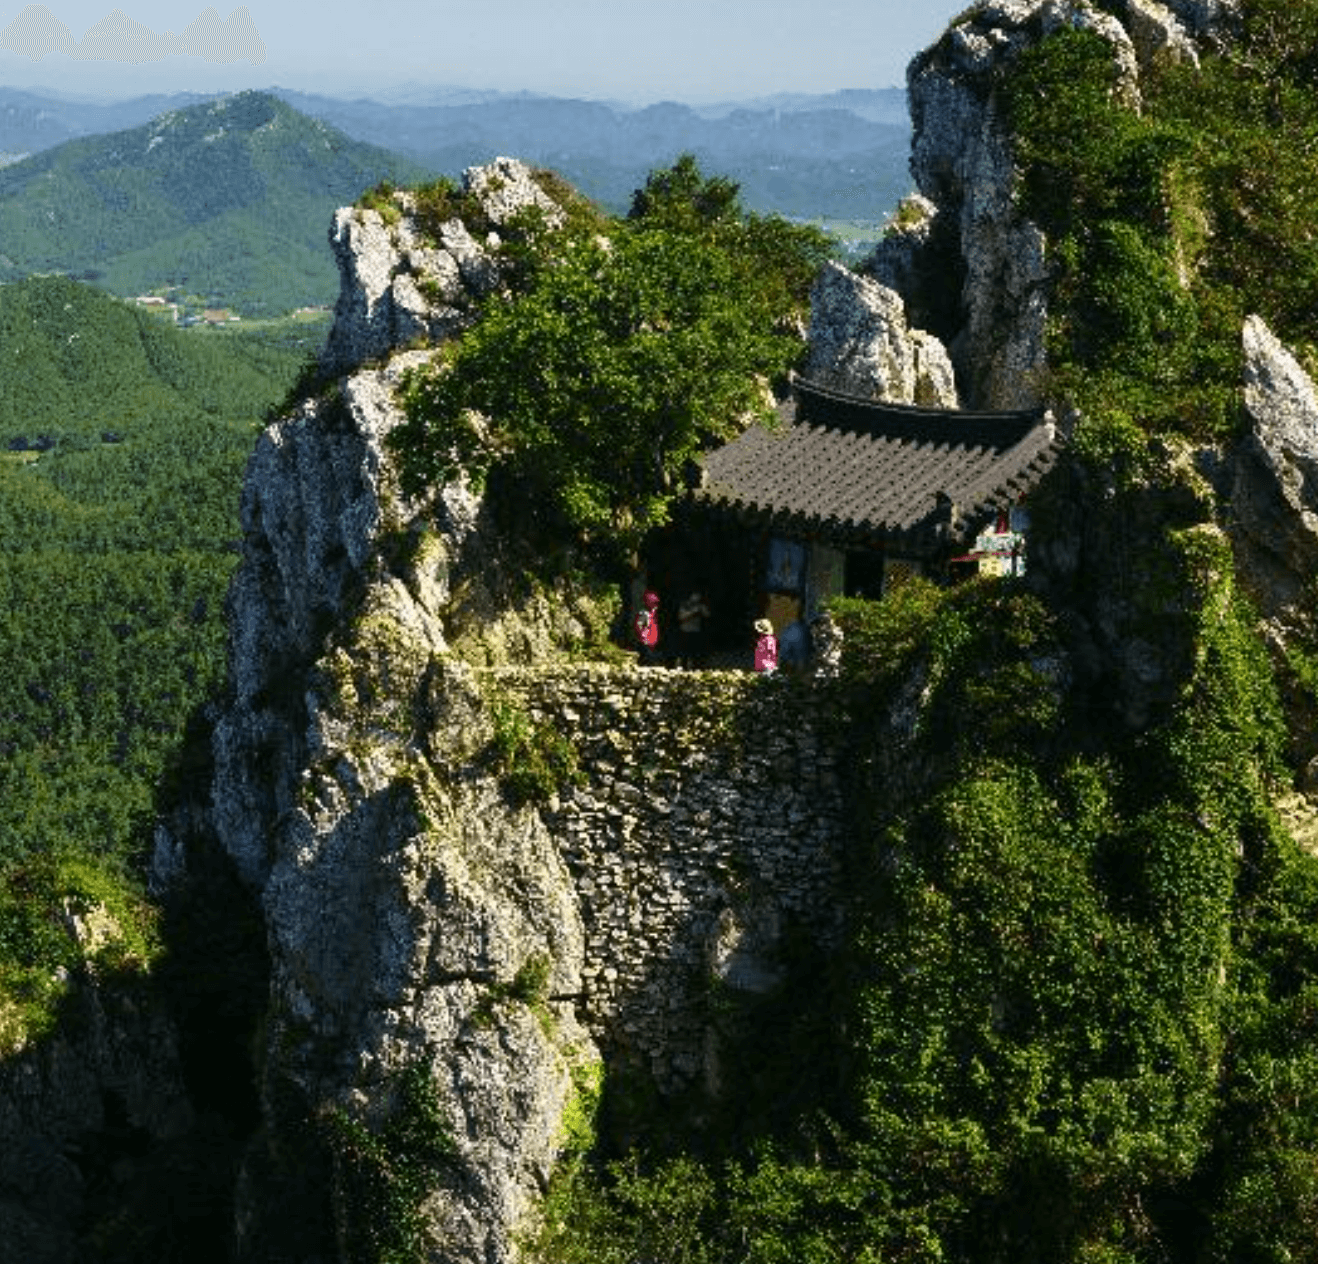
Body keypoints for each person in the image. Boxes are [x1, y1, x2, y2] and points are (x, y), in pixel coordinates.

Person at [676, 589, 711, 667]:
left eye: (698, 596)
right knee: (683, 653)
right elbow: (681, 617)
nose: (696, 597)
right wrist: (694, 612)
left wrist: (702, 610)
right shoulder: (685, 605)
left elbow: (707, 615)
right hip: (685, 631)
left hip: (696, 631)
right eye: (695, 595)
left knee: (694, 653)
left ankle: (694, 665)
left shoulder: (700, 606)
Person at [634, 590, 661, 665]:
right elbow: (638, 626)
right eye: (654, 603)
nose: (656, 606)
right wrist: (643, 637)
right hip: (646, 643)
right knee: (648, 661)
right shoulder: (644, 614)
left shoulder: (653, 614)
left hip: (652, 642)